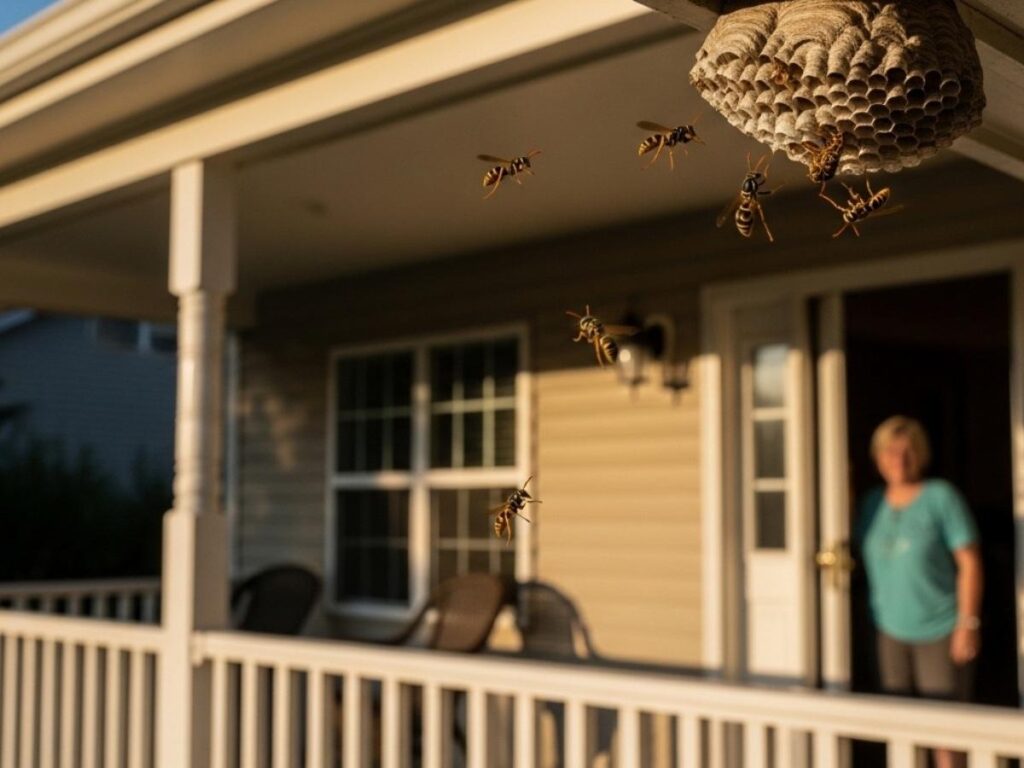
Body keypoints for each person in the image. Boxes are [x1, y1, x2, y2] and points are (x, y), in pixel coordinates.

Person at [857, 416, 983, 768]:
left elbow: (970, 563)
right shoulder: (871, 504)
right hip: (889, 630)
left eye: (907, 451)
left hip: (940, 629)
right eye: (890, 451)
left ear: (920, 455)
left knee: (945, 732)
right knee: (898, 726)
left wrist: (968, 623)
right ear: (878, 457)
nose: (898, 459)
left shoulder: (940, 497)